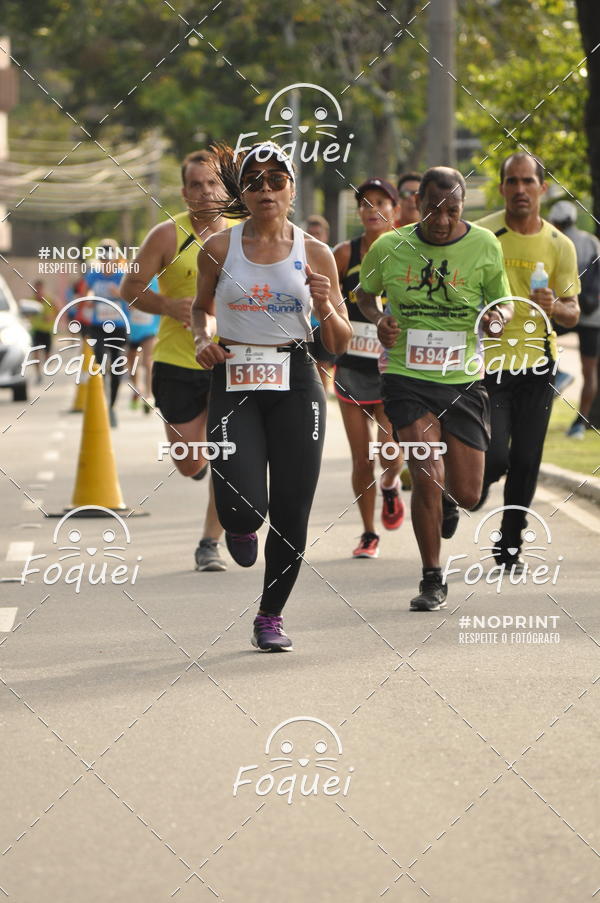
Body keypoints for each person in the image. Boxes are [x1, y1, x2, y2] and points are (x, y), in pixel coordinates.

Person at [192, 141, 352, 651]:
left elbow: (340, 341)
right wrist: (201, 339)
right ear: (242, 192)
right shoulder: (219, 249)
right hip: (234, 375)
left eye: (276, 180)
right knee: (242, 510)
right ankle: (239, 526)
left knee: (292, 507)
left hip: (296, 378)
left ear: (292, 189)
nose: (266, 189)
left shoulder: (316, 252)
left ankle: (270, 616)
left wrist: (325, 307)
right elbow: (200, 309)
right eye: (254, 181)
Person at [357, 166, 513, 611]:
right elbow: (365, 295)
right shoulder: (389, 246)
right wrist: (379, 319)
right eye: (432, 210)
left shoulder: (485, 245)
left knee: (468, 493)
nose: (442, 221)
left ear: (463, 209)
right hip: (407, 377)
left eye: (452, 211)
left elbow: (502, 304)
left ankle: (448, 501)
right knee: (425, 469)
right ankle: (431, 577)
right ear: (416, 205)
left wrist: (496, 320)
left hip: (462, 378)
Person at [120, 149, 230, 572]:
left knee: (228, 453)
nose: (206, 192)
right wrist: (168, 305)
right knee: (189, 461)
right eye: (196, 185)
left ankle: (209, 543)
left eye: (213, 183)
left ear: (226, 188)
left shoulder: (244, 234)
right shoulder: (167, 235)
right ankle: (199, 467)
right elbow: (130, 288)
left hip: (230, 361)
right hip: (176, 361)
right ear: (184, 193)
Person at [475, 153, 580, 568]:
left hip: (536, 365)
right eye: (512, 181)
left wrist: (554, 306)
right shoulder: (482, 235)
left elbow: (573, 311)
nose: (520, 189)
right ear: (502, 187)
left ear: (542, 188)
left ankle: (510, 545)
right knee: (495, 456)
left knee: (525, 459)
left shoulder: (559, 244)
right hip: (489, 363)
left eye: (528, 181)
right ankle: (468, 489)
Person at [333, 178, 405, 559]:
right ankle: (368, 532)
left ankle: (391, 484)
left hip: (391, 367)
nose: (372, 209)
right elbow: (326, 303)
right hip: (351, 367)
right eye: (365, 203)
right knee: (361, 459)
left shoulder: (407, 250)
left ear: (395, 209)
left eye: (380, 202)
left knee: (388, 452)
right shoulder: (345, 253)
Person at [548, 199, 600, 438]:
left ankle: (558, 374)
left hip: (564, 309)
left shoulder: (554, 241)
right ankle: (580, 423)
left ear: (555, 222)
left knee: (538, 337)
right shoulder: (592, 241)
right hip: (593, 314)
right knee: (590, 371)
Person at [83, 238, 129, 427]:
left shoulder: (123, 275)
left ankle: (111, 406)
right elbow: (87, 292)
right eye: (102, 258)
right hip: (98, 325)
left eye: (108, 258)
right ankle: (102, 400)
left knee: (116, 366)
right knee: (100, 361)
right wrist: (88, 298)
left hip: (118, 325)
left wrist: (119, 293)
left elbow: (133, 298)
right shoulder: (94, 274)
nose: (105, 262)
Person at [305, 214, 337, 393]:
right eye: (310, 233)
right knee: (307, 369)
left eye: (317, 233)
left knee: (323, 368)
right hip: (304, 325)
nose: (314, 237)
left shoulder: (332, 255)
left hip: (324, 322)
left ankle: (322, 399)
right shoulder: (298, 254)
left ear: (325, 235)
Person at [126, 280, 160, 412]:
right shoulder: (132, 278)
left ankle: (149, 395)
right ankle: (137, 389)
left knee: (148, 360)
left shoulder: (157, 281)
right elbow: (123, 296)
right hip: (134, 329)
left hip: (151, 328)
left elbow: (161, 301)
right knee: (132, 361)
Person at [28, 280, 58, 383]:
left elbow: (58, 309)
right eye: (36, 290)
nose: (38, 292)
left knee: (47, 356)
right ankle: (38, 374)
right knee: (35, 354)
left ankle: (46, 367)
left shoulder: (49, 300)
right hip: (35, 330)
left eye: (40, 289)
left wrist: (51, 317)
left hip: (47, 331)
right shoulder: (31, 301)